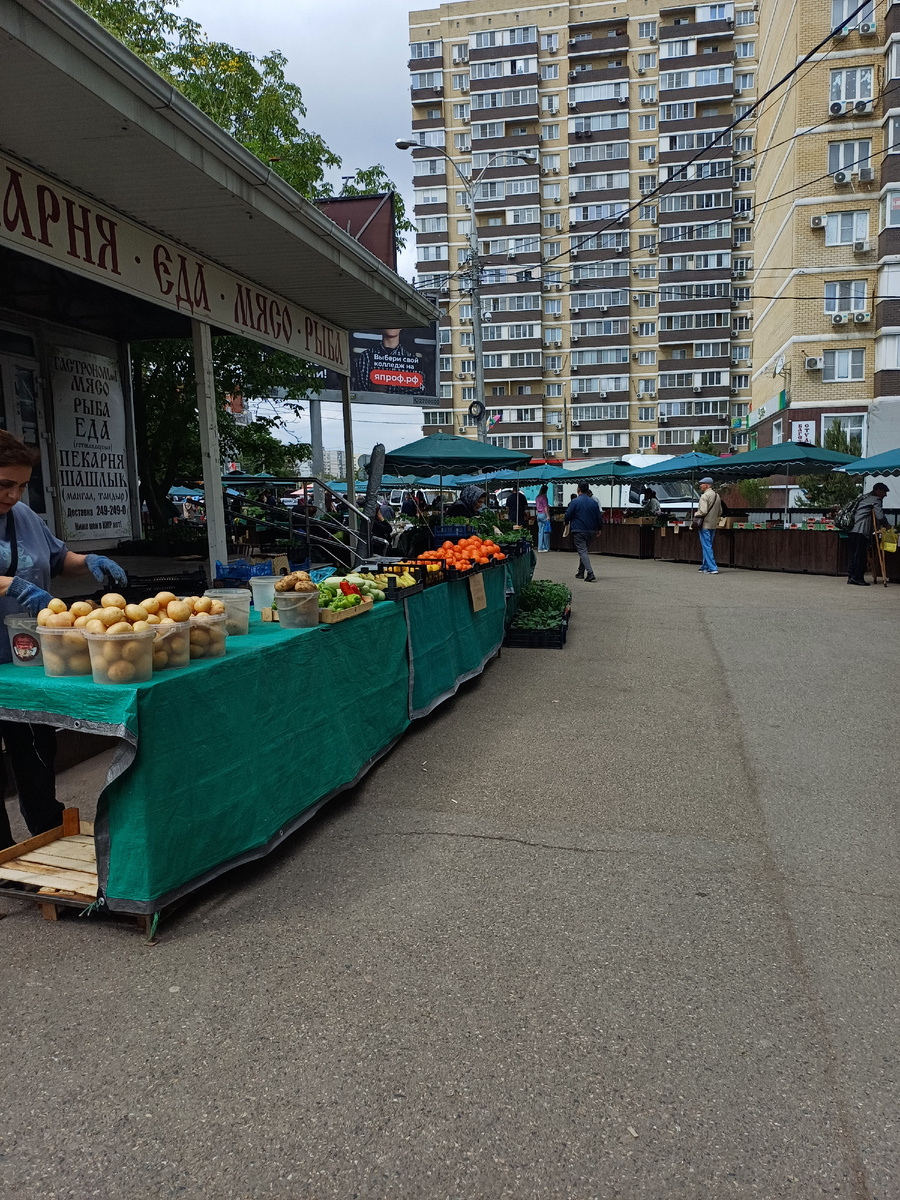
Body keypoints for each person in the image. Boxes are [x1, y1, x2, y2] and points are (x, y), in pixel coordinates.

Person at [0, 430, 127, 850]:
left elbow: (57, 559)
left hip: (27, 657)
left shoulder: (24, 516)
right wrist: (14, 587)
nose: (14, 495)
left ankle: (48, 836)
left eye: (21, 485)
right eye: (5, 484)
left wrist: (88, 561)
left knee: (37, 750)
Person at [847, 482, 890, 586]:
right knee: (860, 555)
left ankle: (851, 577)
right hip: (861, 530)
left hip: (853, 529)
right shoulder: (876, 499)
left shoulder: (864, 497)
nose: (885, 495)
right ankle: (858, 578)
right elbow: (880, 516)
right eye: (884, 492)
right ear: (878, 490)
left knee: (854, 554)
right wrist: (887, 525)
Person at [564, 482, 603, 582]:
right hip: (590, 530)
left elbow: (568, 514)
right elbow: (599, 517)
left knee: (582, 551)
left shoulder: (575, 502)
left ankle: (590, 572)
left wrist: (566, 522)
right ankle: (581, 572)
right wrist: (599, 529)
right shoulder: (594, 502)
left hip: (578, 529)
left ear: (578, 489)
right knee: (584, 550)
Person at [695, 476, 722, 575]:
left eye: (701, 484)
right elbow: (720, 511)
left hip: (704, 524)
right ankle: (704, 566)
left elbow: (703, 511)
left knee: (706, 546)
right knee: (708, 545)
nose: (700, 486)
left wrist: (695, 514)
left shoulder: (704, 496)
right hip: (713, 524)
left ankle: (713, 567)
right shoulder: (717, 496)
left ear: (706, 485)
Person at [535, 485, 551, 552]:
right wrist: (547, 516)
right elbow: (545, 507)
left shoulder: (537, 497)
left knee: (540, 532)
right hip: (544, 514)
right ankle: (546, 547)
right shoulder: (544, 497)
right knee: (546, 531)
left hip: (538, 514)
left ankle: (540, 547)